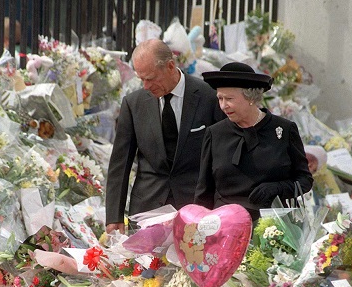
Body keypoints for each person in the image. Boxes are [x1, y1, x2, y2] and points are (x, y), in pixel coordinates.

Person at [105, 38, 224, 233]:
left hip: (195, 207)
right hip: (147, 207)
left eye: (150, 78)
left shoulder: (208, 97)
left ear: (170, 66)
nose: (145, 86)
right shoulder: (134, 104)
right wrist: (114, 216)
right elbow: (120, 163)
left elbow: (220, 158)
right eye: (141, 78)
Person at [194, 62, 313, 221]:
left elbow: (305, 180)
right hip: (225, 227)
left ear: (250, 98)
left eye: (229, 99)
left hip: (274, 228)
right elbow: (204, 191)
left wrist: (277, 188)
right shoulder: (215, 133)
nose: (223, 106)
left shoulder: (284, 129)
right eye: (220, 99)